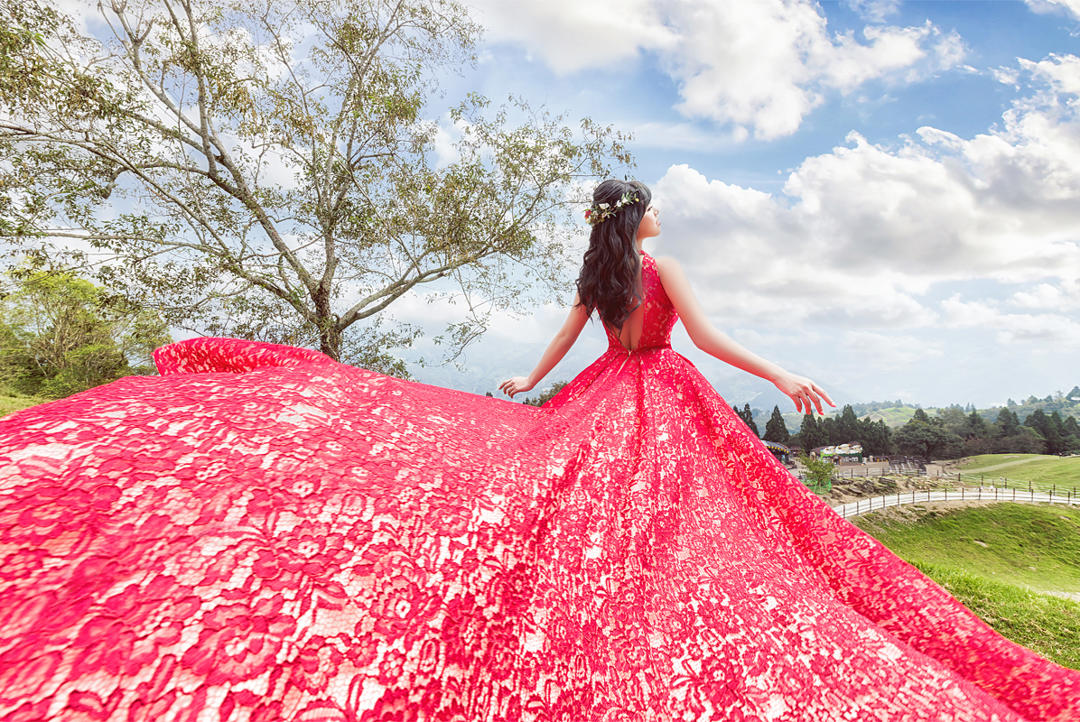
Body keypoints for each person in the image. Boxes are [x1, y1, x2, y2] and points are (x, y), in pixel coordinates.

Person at [0, 181, 1077, 721]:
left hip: (610, 389)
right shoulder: (663, 271)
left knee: (604, 505)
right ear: (644, 220)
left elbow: (563, 347)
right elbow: (701, 341)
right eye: (654, 209)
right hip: (665, 393)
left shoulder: (601, 278)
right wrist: (782, 375)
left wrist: (520, 385)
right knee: (700, 521)